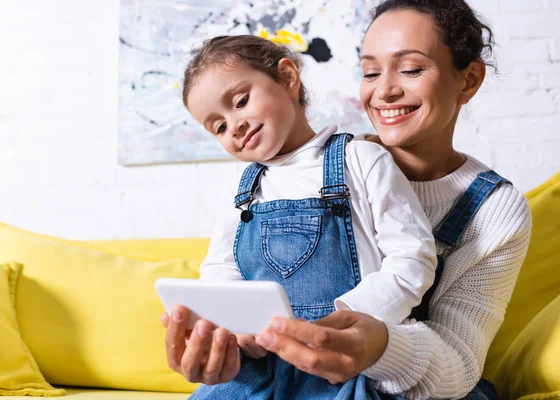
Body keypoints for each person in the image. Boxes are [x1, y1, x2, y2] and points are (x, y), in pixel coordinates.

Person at [162, 0, 533, 399]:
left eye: (410, 69)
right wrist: (226, 329)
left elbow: (456, 360)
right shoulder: (250, 185)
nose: (385, 90)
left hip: (372, 374)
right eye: (370, 71)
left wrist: (364, 336)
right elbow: (222, 269)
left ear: (469, 79)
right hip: (274, 363)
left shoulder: (481, 205)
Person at [163, 32, 440, 398]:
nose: (235, 126)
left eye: (241, 101)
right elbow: (220, 269)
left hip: (346, 361)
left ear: (288, 78)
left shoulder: (361, 160)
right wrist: (236, 324)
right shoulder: (241, 191)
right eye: (219, 127)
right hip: (263, 364)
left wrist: (348, 319)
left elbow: (412, 258)